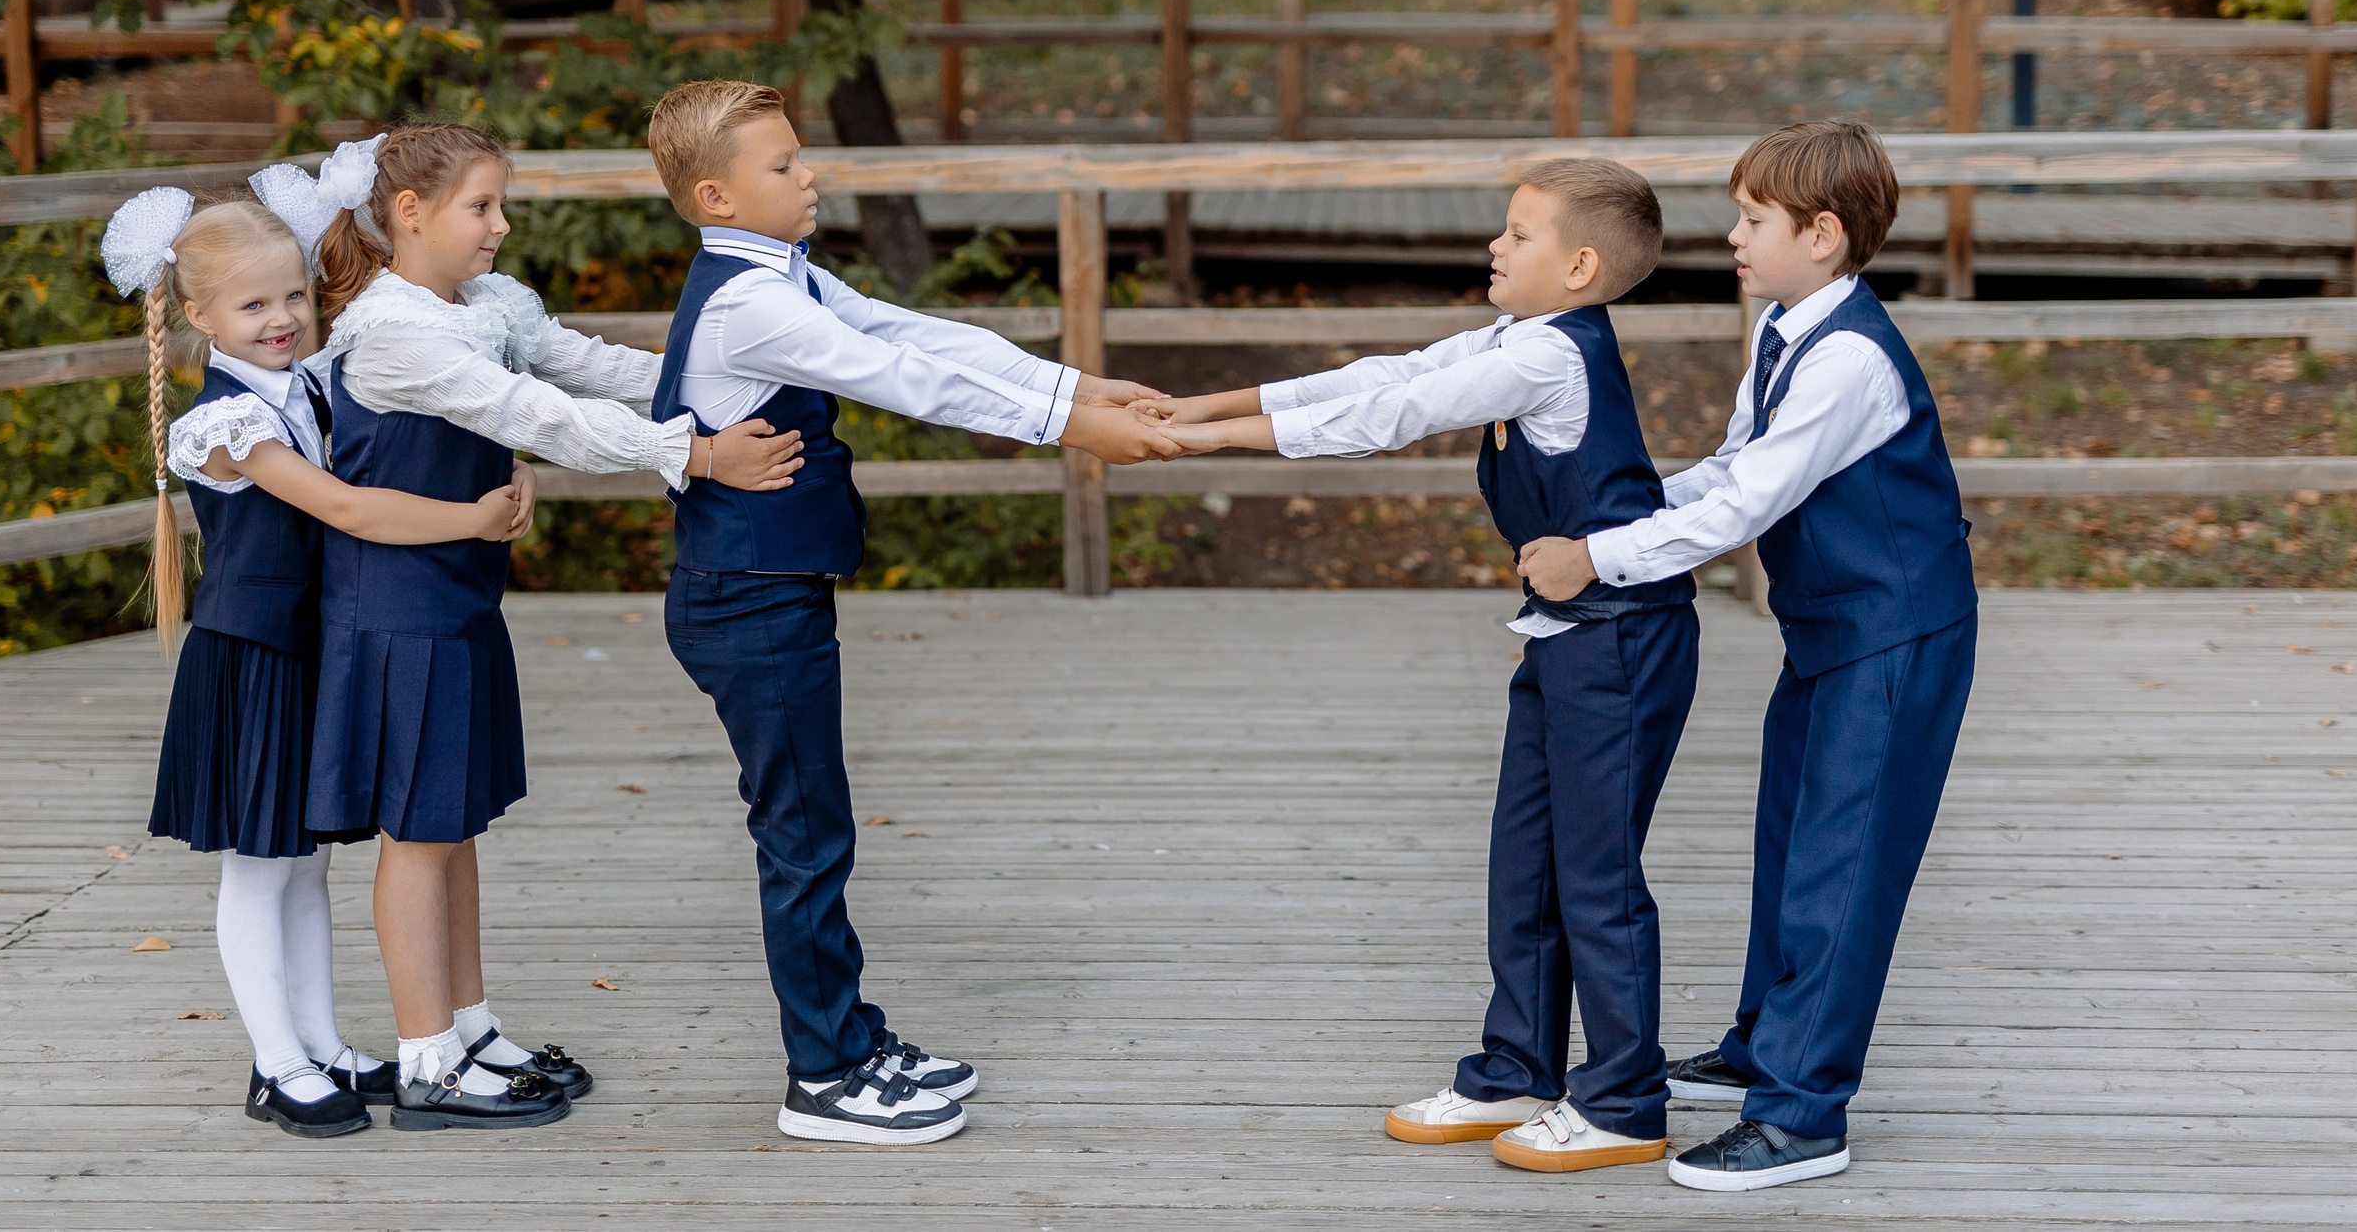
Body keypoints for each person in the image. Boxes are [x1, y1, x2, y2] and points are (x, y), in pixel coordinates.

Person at [642, 79, 1180, 1146]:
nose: (810, 176)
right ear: (717, 195)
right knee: (803, 838)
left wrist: (1074, 387)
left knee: (816, 829)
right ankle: (825, 1077)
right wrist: (1071, 428)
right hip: (745, 602)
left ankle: (848, 1035)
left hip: (771, 594)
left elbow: (912, 333)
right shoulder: (748, 302)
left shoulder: (778, 274)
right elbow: (900, 382)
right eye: (785, 165)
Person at [1143, 158, 1698, 1176]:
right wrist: (1196, 410)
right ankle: (1517, 1070)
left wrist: (1211, 440)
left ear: (1577, 266)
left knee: (1595, 874)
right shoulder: (1514, 338)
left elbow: (1388, 420)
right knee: (1522, 860)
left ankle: (1622, 1100)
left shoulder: (1550, 361)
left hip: (1622, 638)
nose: (1495, 244)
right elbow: (1380, 377)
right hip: (1563, 632)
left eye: (1519, 234)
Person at [301, 124, 800, 1132]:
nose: (501, 225)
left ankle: (469, 1027)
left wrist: (714, 378)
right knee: (417, 830)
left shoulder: (483, 303)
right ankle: (425, 1057)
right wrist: (696, 455)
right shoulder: (395, 332)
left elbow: (586, 366)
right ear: (410, 214)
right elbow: (538, 417)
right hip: (398, 613)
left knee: (457, 820)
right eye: (481, 207)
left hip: (458, 597)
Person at [1520, 119, 1977, 1193]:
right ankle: (1760, 1044)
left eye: (1751, 219)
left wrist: (1599, 556)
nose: (1730, 234)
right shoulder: (1782, 327)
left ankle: (1803, 1110)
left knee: (1841, 862)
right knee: (1788, 837)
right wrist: (1619, 510)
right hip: (1827, 629)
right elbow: (1729, 466)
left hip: (1895, 637)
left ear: (1820, 235)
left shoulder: (1851, 359)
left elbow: (1746, 505)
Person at [100, 183, 535, 1139]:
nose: (283, 319)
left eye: (294, 297)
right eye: (254, 305)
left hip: (313, 651)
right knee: (260, 870)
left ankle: (324, 1042)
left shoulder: (308, 381)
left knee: (306, 868)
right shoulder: (225, 425)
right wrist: (470, 522)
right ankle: (275, 1059)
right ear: (199, 313)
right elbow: (347, 508)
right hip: (252, 659)